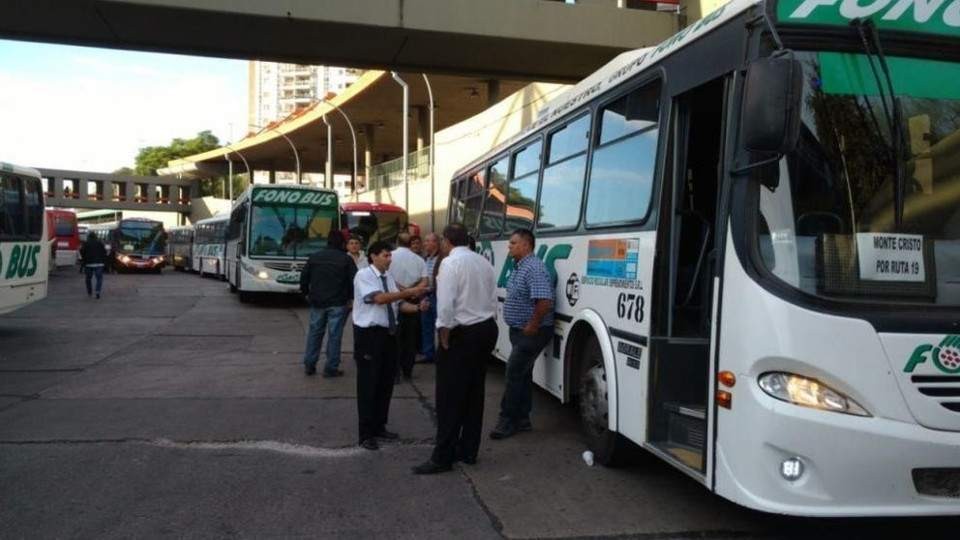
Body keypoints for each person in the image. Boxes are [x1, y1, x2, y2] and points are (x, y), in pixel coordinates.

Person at [412, 223, 498, 474]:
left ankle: (442, 457)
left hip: (463, 333)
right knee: (474, 393)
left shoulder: (450, 263)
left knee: (449, 398)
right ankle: (468, 451)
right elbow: (493, 298)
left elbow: (446, 304)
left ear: (446, 242)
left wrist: (443, 332)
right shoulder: (483, 262)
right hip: (485, 329)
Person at [353, 241, 429, 450]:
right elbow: (380, 299)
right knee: (369, 383)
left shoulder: (388, 278)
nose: (389, 259)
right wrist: (408, 292)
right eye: (386, 255)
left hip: (388, 334)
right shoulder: (364, 276)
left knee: (385, 382)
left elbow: (399, 305)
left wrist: (417, 308)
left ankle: (379, 425)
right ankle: (366, 433)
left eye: (389, 255)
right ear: (373, 256)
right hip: (369, 335)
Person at [490, 228, 555, 440]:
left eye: (513, 243)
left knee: (513, 372)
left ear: (526, 245)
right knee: (523, 375)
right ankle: (523, 419)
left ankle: (507, 421)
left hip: (531, 332)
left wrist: (533, 326)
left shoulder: (534, 268)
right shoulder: (520, 266)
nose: (509, 246)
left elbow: (544, 301)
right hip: (519, 330)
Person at [300, 230, 357, 378]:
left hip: (317, 301)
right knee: (335, 335)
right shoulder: (346, 259)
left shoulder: (315, 257)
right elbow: (354, 281)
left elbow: (304, 277)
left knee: (314, 333)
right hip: (338, 303)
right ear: (342, 243)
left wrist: (305, 293)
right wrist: (351, 298)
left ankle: (309, 364)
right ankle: (331, 367)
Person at [388, 232, 428, 380]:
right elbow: (425, 281)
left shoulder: (388, 257)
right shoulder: (419, 260)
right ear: (410, 243)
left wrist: (403, 291)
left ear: (397, 242)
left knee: (394, 337)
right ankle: (408, 370)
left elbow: (388, 278)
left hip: (392, 300)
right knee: (410, 338)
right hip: (413, 301)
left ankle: (395, 371)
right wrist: (413, 291)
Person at [419, 232, 440, 364]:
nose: (425, 244)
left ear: (436, 243)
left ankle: (441, 354)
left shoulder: (442, 259)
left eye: (428, 241)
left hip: (437, 296)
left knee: (440, 326)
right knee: (426, 326)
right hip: (425, 295)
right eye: (425, 241)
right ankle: (428, 354)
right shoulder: (425, 258)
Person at [80, 231, 108, 299]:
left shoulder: (86, 243)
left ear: (89, 237)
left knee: (88, 279)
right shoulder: (100, 243)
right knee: (99, 278)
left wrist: (84, 258)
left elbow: (81, 251)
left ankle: (89, 292)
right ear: (96, 236)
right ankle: (97, 291)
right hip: (99, 263)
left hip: (88, 264)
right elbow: (105, 252)